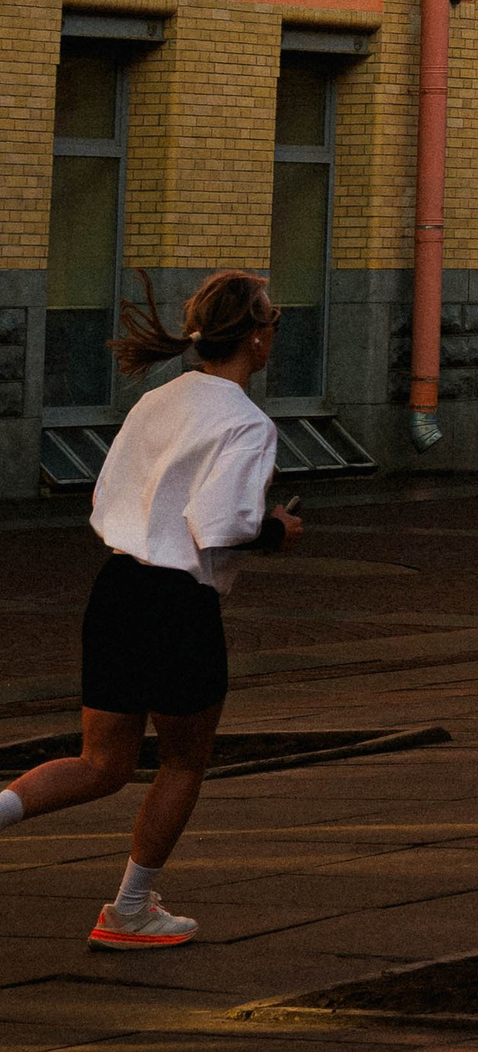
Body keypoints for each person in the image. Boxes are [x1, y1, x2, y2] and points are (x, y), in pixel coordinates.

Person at [0, 270, 302, 947]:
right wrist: (277, 528)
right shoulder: (247, 422)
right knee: (182, 762)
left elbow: (106, 495)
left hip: (116, 587)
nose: (274, 333)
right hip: (179, 602)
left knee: (99, 763)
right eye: (273, 321)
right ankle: (129, 909)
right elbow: (220, 522)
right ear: (255, 337)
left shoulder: (156, 401)